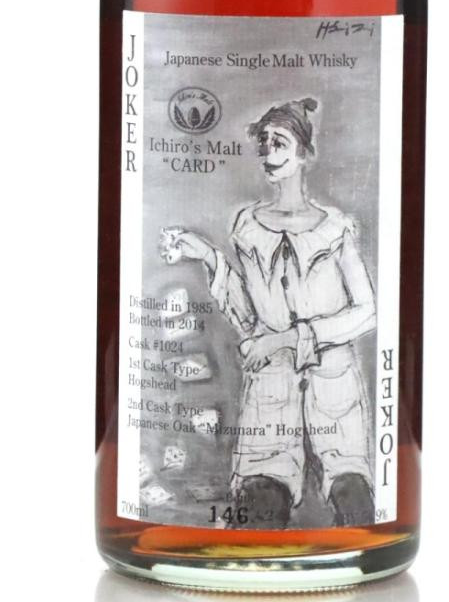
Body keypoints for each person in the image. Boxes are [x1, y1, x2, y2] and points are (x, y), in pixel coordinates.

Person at [161, 97, 376, 527]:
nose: (267, 153)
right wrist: (210, 257)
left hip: (335, 391)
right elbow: (248, 319)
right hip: (270, 394)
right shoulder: (247, 226)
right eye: (263, 143)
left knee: (354, 497)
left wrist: (291, 339)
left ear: (303, 154)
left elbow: (367, 311)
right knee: (260, 500)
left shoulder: (335, 230)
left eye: (279, 143)